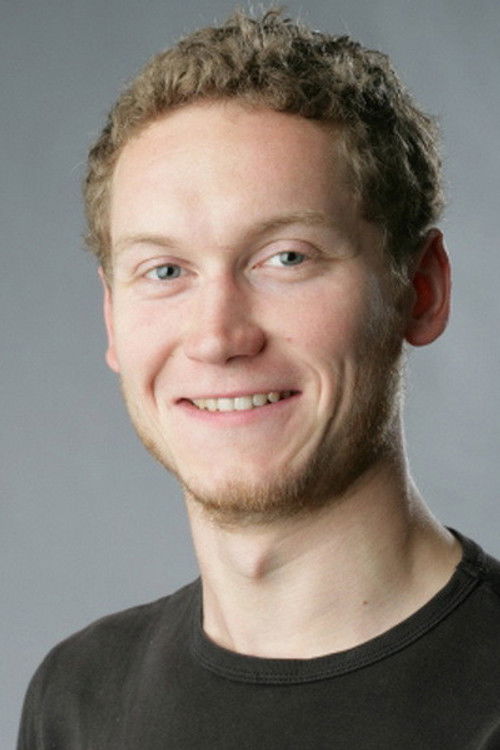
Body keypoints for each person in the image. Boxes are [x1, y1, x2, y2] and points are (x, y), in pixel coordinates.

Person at [17, 8, 500, 749]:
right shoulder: (78, 699)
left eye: (287, 258)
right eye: (165, 270)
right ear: (112, 318)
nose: (218, 337)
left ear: (422, 289)